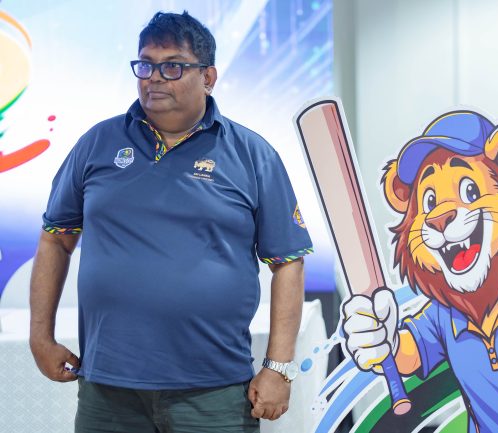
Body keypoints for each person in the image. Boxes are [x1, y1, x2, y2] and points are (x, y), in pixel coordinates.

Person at [29, 11, 312, 433]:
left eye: (172, 66)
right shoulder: (98, 144)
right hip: (108, 390)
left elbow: (288, 261)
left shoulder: (252, 155)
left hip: (214, 392)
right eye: (145, 65)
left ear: (208, 77)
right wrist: (41, 337)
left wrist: (279, 367)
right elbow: (55, 238)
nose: (154, 79)